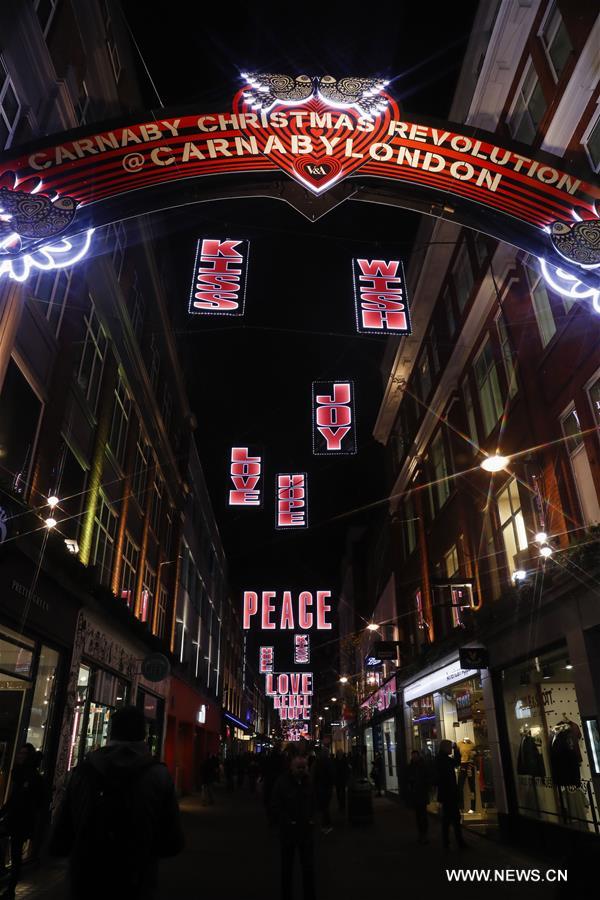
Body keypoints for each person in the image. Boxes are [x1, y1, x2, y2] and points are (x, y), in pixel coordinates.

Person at [49, 705, 184, 900]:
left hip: (86, 879)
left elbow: (60, 837)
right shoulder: (159, 775)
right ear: (144, 734)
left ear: (111, 731)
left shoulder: (83, 771)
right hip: (136, 881)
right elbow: (172, 842)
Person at [0, 744, 48, 900]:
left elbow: (17, 798)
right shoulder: (28, 775)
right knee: (14, 851)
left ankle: (11, 886)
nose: (20, 756)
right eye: (19, 753)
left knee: (15, 852)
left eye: (23, 753)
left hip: (19, 819)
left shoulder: (26, 776)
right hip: (19, 819)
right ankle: (10, 884)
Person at [271, 754, 316, 900]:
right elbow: (276, 805)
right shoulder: (282, 782)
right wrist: (287, 821)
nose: (302, 770)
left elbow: (315, 802)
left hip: (305, 832)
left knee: (308, 868)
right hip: (288, 832)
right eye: (299, 767)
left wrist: (312, 819)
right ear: (291, 767)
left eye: (304, 767)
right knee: (287, 869)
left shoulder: (309, 782)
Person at [435, 739, 467, 850]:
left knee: (447, 819)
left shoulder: (440, 759)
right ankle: (458, 842)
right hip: (449, 794)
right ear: (445, 748)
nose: (450, 749)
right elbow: (456, 762)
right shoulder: (444, 760)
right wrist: (456, 749)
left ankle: (448, 842)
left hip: (445, 794)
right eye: (449, 747)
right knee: (453, 819)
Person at [404, 750, 431, 844]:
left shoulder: (422, 766)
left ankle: (424, 834)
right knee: (419, 815)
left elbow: (427, 778)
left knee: (422, 815)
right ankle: (421, 834)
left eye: (415, 756)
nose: (414, 757)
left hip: (421, 793)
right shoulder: (412, 766)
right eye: (413, 756)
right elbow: (406, 778)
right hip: (416, 793)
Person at [312, 748, 334, 833]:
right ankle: (326, 823)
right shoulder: (329, 762)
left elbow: (314, 775)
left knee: (323, 806)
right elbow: (332, 774)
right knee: (325, 806)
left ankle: (325, 824)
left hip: (321, 786)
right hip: (327, 787)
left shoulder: (318, 762)